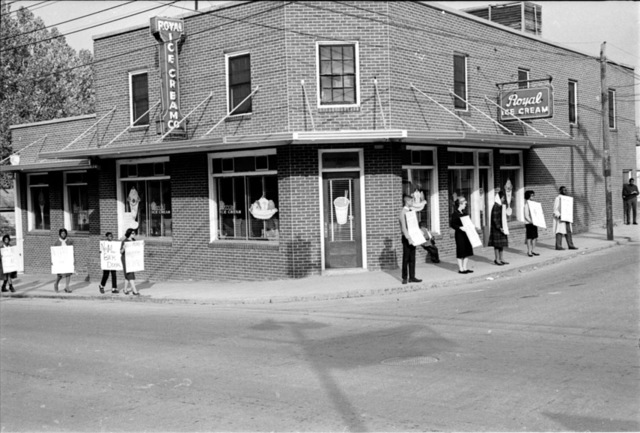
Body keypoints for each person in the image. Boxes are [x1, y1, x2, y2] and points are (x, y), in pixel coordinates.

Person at [398, 194, 422, 284]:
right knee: (406, 258)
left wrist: (419, 233)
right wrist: (408, 238)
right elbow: (404, 227)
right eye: (411, 201)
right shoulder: (403, 212)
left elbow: (414, 225)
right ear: (407, 201)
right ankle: (405, 277)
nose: (412, 202)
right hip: (407, 238)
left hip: (413, 237)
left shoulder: (412, 211)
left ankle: (412, 276)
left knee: (412, 258)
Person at [449, 196, 474, 274]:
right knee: (461, 250)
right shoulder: (455, 214)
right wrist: (459, 228)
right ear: (460, 204)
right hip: (460, 234)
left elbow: (468, 222)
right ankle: (461, 268)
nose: (465, 205)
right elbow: (452, 224)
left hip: (467, 234)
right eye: (464, 204)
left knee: (467, 250)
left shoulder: (465, 213)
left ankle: (465, 267)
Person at [553, 186, 578, 250]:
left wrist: (569, 214)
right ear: (560, 191)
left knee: (568, 231)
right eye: (564, 190)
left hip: (567, 217)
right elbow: (555, 209)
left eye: (566, 190)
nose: (565, 191)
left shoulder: (567, 199)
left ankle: (570, 245)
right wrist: (559, 215)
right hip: (561, 218)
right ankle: (558, 246)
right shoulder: (558, 198)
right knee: (559, 231)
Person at [488, 190, 509, 265]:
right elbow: (494, 218)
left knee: (501, 244)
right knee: (497, 245)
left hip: (502, 227)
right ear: (499, 198)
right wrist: (499, 227)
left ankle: (501, 258)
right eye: (503, 198)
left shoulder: (501, 206)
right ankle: (497, 259)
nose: (504, 199)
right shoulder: (496, 206)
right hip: (497, 229)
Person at [120, 228, 140, 296]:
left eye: (134, 233)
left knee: (127, 275)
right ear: (129, 234)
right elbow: (121, 252)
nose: (134, 234)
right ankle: (135, 291)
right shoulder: (124, 241)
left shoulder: (134, 240)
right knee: (130, 274)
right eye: (133, 233)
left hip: (132, 259)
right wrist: (123, 248)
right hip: (125, 259)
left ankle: (125, 289)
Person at [53, 228, 73, 293]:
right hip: (60, 260)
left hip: (67, 260)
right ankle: (56, 284)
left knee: (68, 273)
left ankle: (67, 287)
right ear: (60, 234)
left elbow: (71, 251)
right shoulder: (57, 242)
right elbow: (54, 252)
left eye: (64, 233)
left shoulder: (69, 242)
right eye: (62, 233)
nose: (63, 235)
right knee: (60, 274)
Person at [523, 190, 540, 257]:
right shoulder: (526, 205)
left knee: (535, 237)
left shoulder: (534, 204)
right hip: (529, 223)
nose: (533, 196)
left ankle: (533, 250)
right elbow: (526, 215)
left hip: (534, 222)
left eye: (533, 195)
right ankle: (529, 251)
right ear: (528, 196)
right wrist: (531, 221)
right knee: (529, 237)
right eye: (532, 195)